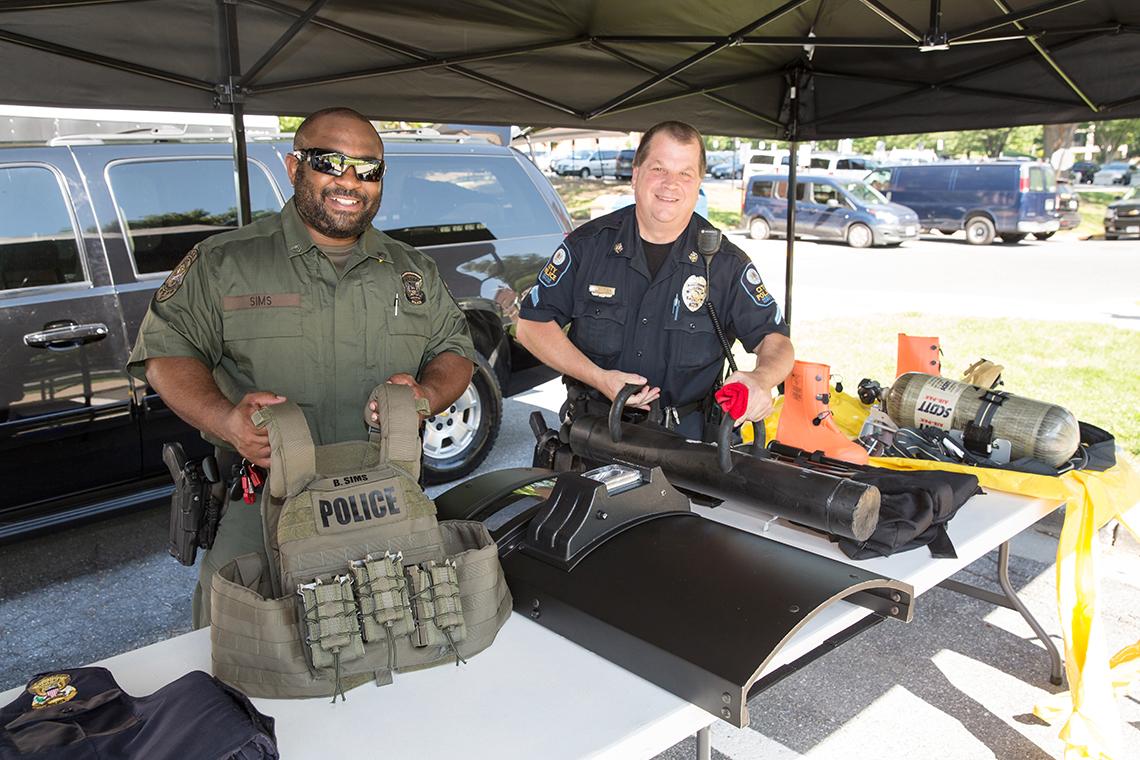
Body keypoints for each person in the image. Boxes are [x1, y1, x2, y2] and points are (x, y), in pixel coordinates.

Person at [127, 107, 475, 627]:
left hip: (386, 495)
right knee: (245, 651)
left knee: (394, 641)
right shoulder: (226, 261)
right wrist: (226, 421)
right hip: (263, 502)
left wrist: (427, 393)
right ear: (294, 167)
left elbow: (455, 350)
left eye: (367, 168)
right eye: (329, 162)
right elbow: (166, 352)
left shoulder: (411, 269)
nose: (349, 181)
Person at [517, 121, 793, 439]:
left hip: (690, 445)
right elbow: (531, 326)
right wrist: (598, 377)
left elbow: (776, 341)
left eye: (685, 173)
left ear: (698, 182)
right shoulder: (587, 246)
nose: (670, 184)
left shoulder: (725, 263)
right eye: (659, 168)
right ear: (636, 174)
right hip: (595, 433)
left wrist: (761, 379)